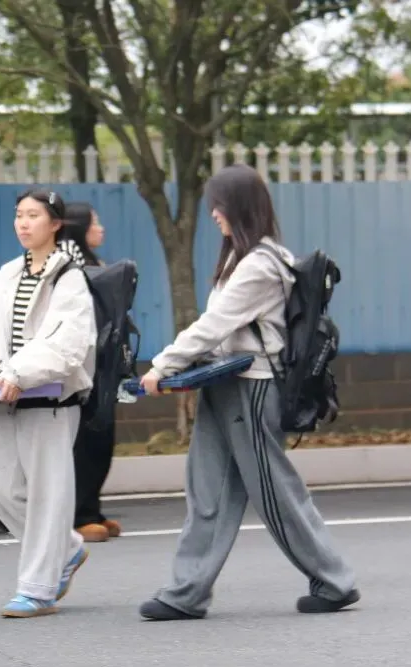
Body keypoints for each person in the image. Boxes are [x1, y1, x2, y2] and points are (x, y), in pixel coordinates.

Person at [137, 163, 360, 621]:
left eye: (219, 205)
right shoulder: (242, 261)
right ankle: (186, 592)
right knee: (207, 492)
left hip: (252, 390)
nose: (214, 214)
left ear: (239, 208)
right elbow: (221, 332)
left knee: (276, 493)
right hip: (224, 384)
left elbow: (214, 325)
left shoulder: (260, 265)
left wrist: (165, 364)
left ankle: (334, 581)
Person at [0, 187, 97, 618]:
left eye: (33, 215)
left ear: (55, 224)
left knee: (47, 497)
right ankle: (68, 549)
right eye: (19, 214)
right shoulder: (7, 275)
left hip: (52, 400)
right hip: (9, 399)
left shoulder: (69, 278)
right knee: (0, 490)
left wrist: (20, 373)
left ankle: (38, 589)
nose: (23, 223)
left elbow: (66, 345)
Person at [58, 201, 122, 543]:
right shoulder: (69, 264)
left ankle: (92, 510)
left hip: (102, 365)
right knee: (84, 442)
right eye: (95, 222)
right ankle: (78, 515)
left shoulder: (92, 263)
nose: (101, 228)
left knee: (101, 440)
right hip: (80, 367)